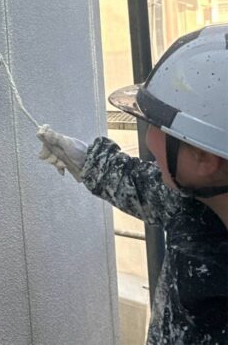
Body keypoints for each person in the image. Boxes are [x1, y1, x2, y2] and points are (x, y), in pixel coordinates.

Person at [37, 23, 228, 344]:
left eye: (159, 126)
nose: (149, 140)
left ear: (205, 159)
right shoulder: (198, 200)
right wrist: (87, 160)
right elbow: (142, 186)